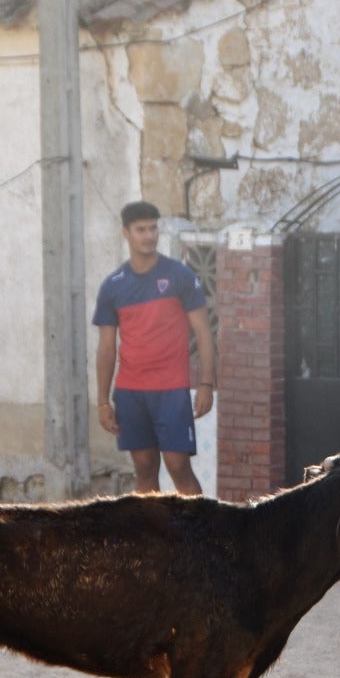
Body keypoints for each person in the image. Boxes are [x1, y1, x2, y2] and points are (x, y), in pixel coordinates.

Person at [94, 201, 217, 494]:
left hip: (171, 390)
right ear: (126, 233)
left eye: (153, 228)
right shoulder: (113, 286)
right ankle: (151, 538)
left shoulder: (180, 276)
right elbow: (107, 348)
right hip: (131, 392)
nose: (149, 236)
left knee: (178, 466)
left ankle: (203, 536)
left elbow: (203, 331)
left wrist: (206, 384)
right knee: (145, 469)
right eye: (141, 230)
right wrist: (102, 401)